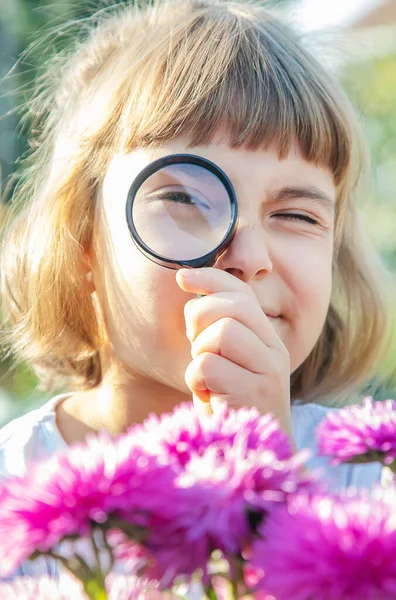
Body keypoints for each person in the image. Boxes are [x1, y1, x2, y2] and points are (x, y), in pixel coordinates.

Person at [0, 0, 394, 581]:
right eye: (184, 199)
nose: (249, 258)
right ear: (83, 244)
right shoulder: (15, 487)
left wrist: (268, 488)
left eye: (297, 215)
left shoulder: (369, 482)